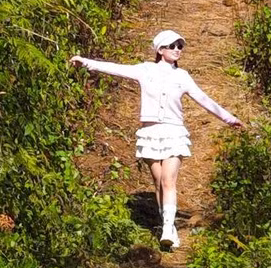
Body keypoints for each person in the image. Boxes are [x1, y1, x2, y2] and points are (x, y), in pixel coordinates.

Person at [69, 29, 241, 249]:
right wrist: (85, 62)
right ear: (160, 50)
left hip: (174, 132)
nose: (178, 49)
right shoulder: (145, 70)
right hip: (150, 133)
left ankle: (168, 229)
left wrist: (229, 119)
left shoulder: (182, 76)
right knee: (159, 183)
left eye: (180, 46)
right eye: (173, 46)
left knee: (169, 180)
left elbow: (203, 99)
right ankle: (167, 225)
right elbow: (115, 69)